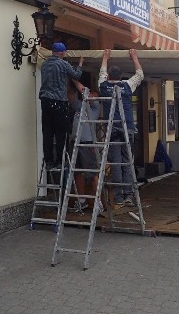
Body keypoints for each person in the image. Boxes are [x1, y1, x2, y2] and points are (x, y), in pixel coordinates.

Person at [99, 48, 144, 206]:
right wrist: (134, 57)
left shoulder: (103, 86)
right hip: (127, 128)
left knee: (116, 162)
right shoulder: (127, 86)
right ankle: (128, 195)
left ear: (110, 76)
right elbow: (139, 75)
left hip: (112, 129)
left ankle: (118, 197)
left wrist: (105, 57)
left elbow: (102, 72)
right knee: (127, 162)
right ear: (121, 76)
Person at [38, 42, 84, 170]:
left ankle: (48, 161)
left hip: (45, 101)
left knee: (47, 132)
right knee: (60, 133)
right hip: (58, 101)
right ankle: (59, 161)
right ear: (63, 53)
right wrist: (80, 64)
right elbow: (76, 75)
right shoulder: (63, 64)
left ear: (52, 52)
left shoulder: (45, 64)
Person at [69, 79, 101, 211]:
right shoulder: (79, 106)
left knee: (93, 174)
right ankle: (81, 201)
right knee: (78, 173)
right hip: (75, 144)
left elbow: (85, 93)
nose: (91, 96)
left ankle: (98, 202)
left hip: (87, 145)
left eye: (94, 95)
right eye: (90, 93)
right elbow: (70, 97)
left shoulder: (95, 107)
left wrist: (74, 77)